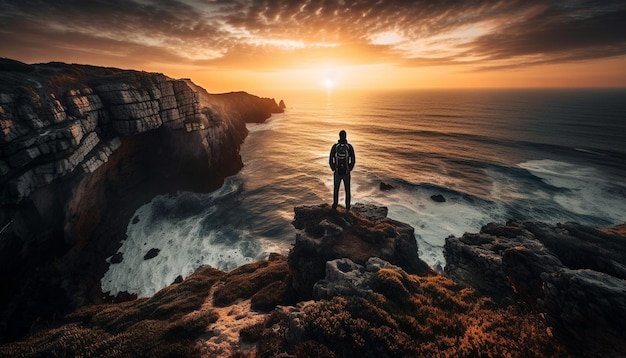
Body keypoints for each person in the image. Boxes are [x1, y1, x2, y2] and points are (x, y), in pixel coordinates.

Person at [329, 130, 355, 210]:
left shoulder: (335, 147)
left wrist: (333, 168)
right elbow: (353, 159)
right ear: (345, 136)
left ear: (339, 136)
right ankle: (347, 206)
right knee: (347, 189)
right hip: (346, 173)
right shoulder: (349, 147)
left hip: (337, 172)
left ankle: (335, 205)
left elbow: (331, 158)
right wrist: (349, 168)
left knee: (336, 189)